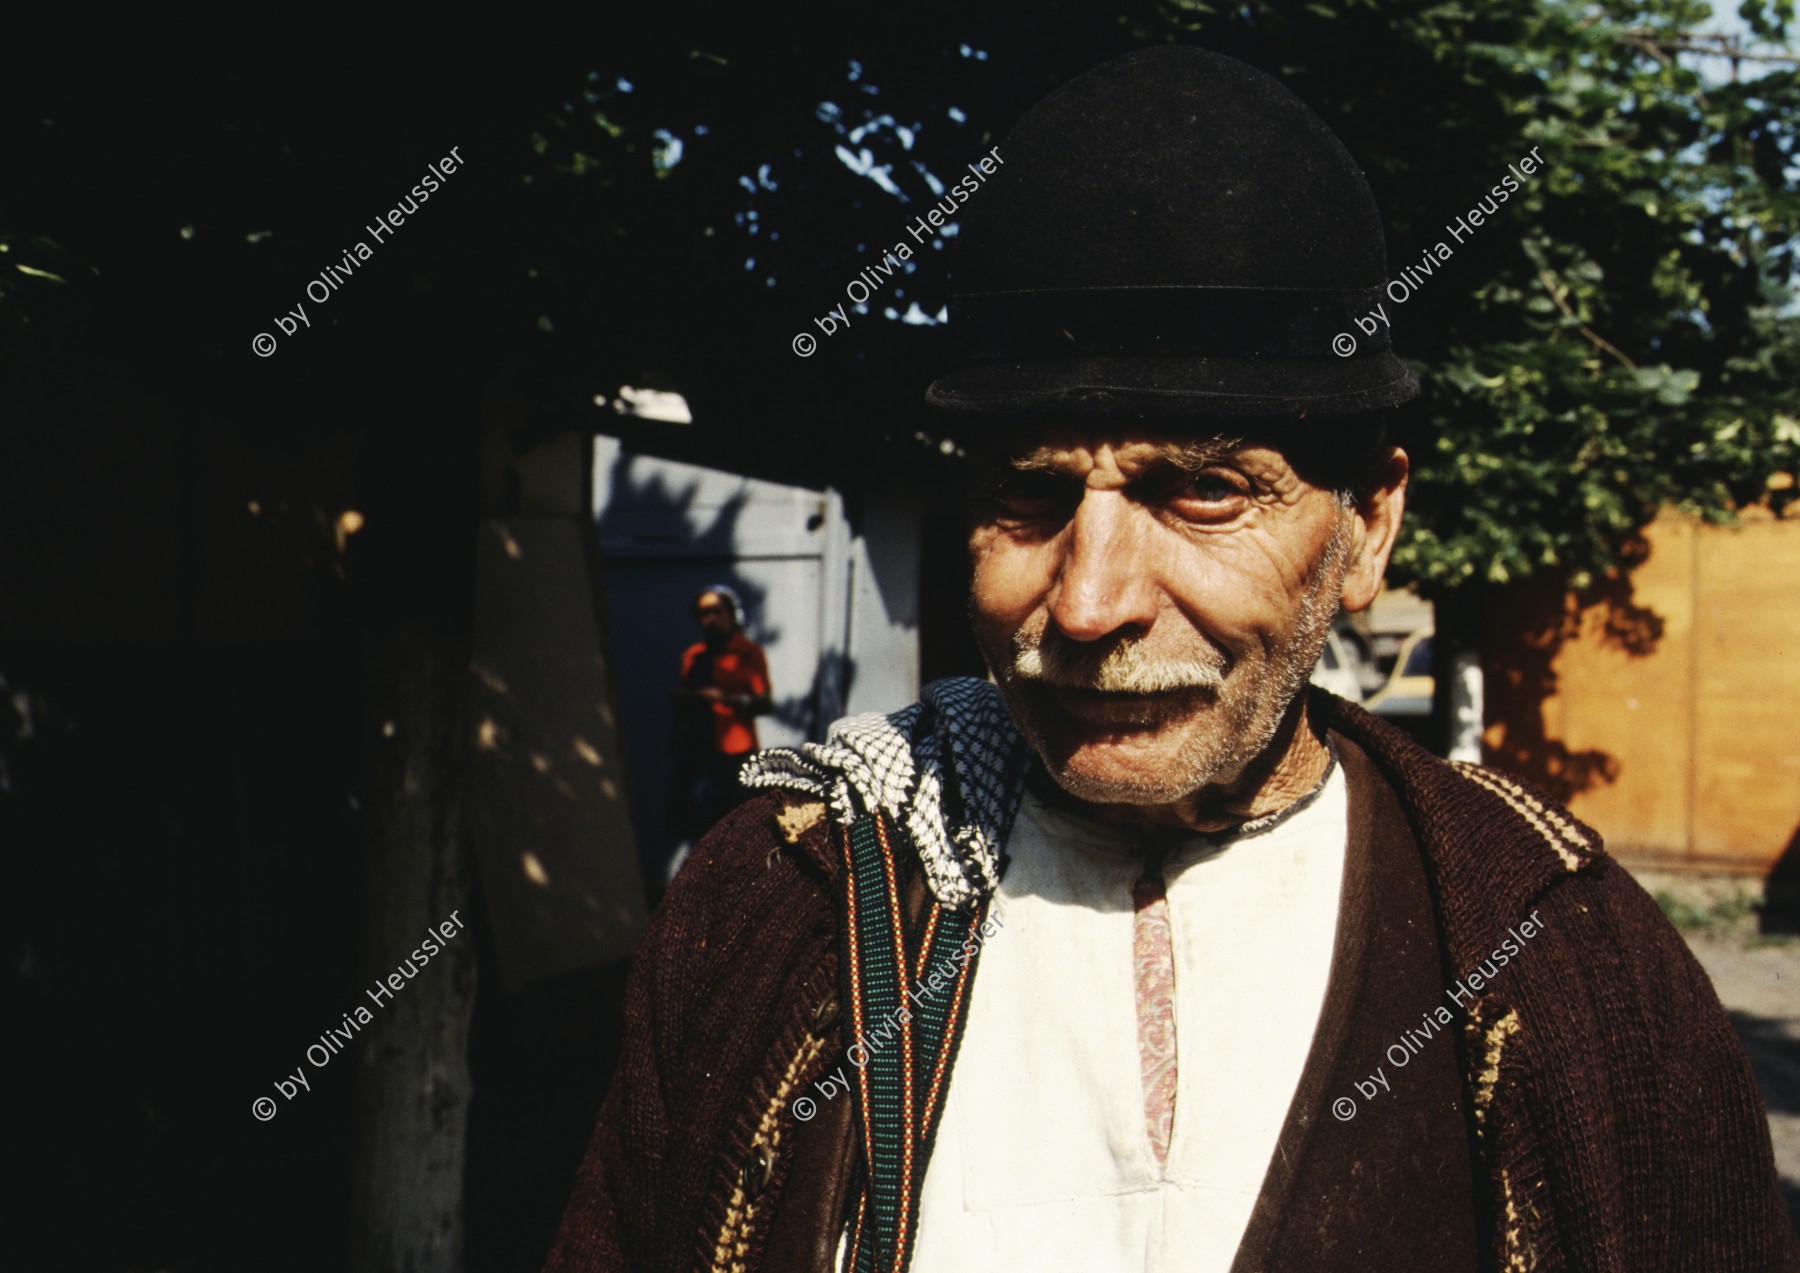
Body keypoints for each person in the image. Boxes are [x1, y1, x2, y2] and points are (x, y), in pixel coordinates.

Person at [545, 46, 1800, 1272]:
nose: (1088, 602)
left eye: (1202, 491)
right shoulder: (778, 911)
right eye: (1029, 495)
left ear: (1367, 527)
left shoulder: (1574, 965)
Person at [664, 585, 772, 884]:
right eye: (703, 613)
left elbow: (764, 702)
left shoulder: (748, 654)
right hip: (699, 752)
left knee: (738, 823)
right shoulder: (694, 656)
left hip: (734, 751)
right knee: (699, 825)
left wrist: (724, 698)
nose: (709, 619)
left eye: (715, 611)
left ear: (730, 614)